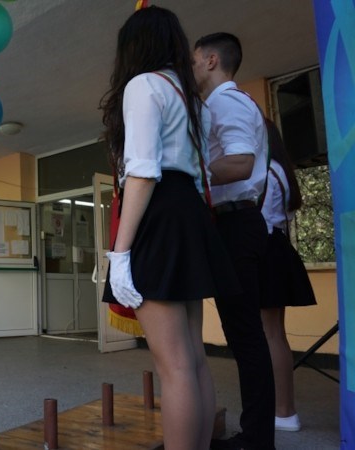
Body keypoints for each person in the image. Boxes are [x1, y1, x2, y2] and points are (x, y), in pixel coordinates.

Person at [99, 7, 239, 449]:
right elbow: (199, 174)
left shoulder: (143, 85)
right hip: (188, 212)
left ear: (133, 47)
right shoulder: (193, 99)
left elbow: (142, 173)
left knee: (173, 366)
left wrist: (120, 254)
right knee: (193, 360)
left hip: (158, 212)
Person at [193, 32, 277, 449]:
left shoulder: (226, 101)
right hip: (233, 223)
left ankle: (257, 440)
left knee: (246, 337)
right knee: (244, 334)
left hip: (236, 224)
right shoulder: (221, 103)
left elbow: (241, 162)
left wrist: (189, 169)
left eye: (194, 61)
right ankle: (256, 435)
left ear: (211, 60)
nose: (191, 68)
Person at [260, 120, 317, 432]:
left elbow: (257, 218)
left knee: (269, 334)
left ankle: (283, 411)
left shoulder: (265, 172)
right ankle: (283, 409)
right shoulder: (283, 172)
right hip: (279, 248)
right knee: (275, 334)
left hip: (266, 250)